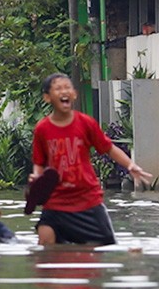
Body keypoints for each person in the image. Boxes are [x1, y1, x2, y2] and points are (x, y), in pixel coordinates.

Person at [30, 73, 153, 246]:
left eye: (67, 87)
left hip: (87, 200)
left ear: (74, 94)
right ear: (47, 97)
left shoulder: (86, 123)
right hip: (56, 202)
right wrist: (37, 178)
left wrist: (130, 165)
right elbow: (39, 162)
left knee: (107, 247)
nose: (64, 91)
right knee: (45, 239)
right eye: (58, 88)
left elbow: (108, 148)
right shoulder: (42, 128)